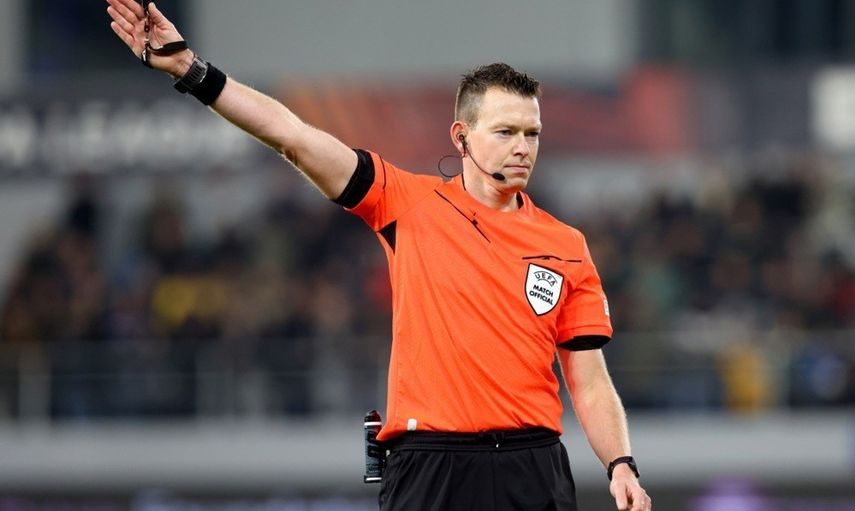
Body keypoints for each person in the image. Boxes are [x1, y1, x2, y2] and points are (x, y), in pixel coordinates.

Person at [105, 1, 652, 509]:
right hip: (431, 464)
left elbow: (588, 379)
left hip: (532, 465)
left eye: (532, 133)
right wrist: (190, 70)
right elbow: (293, 136)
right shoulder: (405, 202)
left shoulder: (566, 245)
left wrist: (620, 463)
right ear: (461, 137)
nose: (522, 147)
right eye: (505, 131)